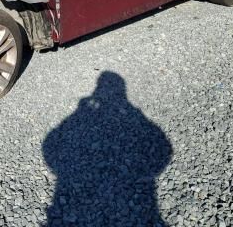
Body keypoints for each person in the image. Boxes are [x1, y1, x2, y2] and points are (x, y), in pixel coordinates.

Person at [43, 71, 173, 226]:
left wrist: (61, 171)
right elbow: (164, 149)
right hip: (144, 203)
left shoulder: (83, 109)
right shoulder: (133, 114)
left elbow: (49, 144)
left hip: (64, 194)